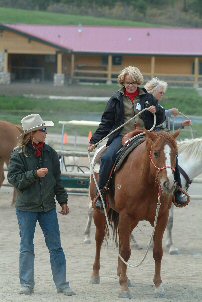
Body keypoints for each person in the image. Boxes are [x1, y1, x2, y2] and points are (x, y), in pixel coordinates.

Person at [7, 114, 76, 296]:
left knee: (56, 247)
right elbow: (14, 179)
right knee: (27, 246)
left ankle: (62, 284)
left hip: (48, 208)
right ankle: (27, 284)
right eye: (42, 130)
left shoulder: (50, 153)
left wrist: (63, 200)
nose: (46, 133)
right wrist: (34, 174)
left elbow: (57, 180)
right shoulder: (18, 154)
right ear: (32, 133)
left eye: (45, 130)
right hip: (26, 209)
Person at [88, 66, 165, 211]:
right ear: (122, 82)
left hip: (145, 134)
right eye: (127, 82)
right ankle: (102, 193)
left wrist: (157, 110)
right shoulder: (115, 99)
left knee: (168, 152)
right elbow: (106, 123)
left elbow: (161, 117)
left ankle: (177, 189)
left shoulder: (148, 98)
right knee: (107, 158)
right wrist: (94, 141)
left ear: (138, 82)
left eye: (133, 82)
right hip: (122, 135)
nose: (130, 86)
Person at [144, 77, 192, 206]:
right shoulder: (145, 101)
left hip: (159, 137)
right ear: (151, 90)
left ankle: (176, 191)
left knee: (173, 158)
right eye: (160, 92)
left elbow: (167, 124)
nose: (162, 95)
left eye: (163, 93)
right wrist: (170, 112)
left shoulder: (159, 105)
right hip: (147, 136)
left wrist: (182, 124)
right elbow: (157, 114)